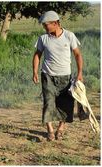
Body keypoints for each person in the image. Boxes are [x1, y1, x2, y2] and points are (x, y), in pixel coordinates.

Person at [32, 11, 83, 141]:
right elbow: (37, 55)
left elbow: (77, 54)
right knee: (48, 102)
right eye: (44, 26)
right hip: (47, 75)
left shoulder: (69, 36)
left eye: (46, 25)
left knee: (65, 104)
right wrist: (35, 72)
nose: (45, 28)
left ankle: (60, 129)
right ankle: (50, 130)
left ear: (55, 23)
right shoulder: (43, 38)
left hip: (65, 76)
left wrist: (80, 72)